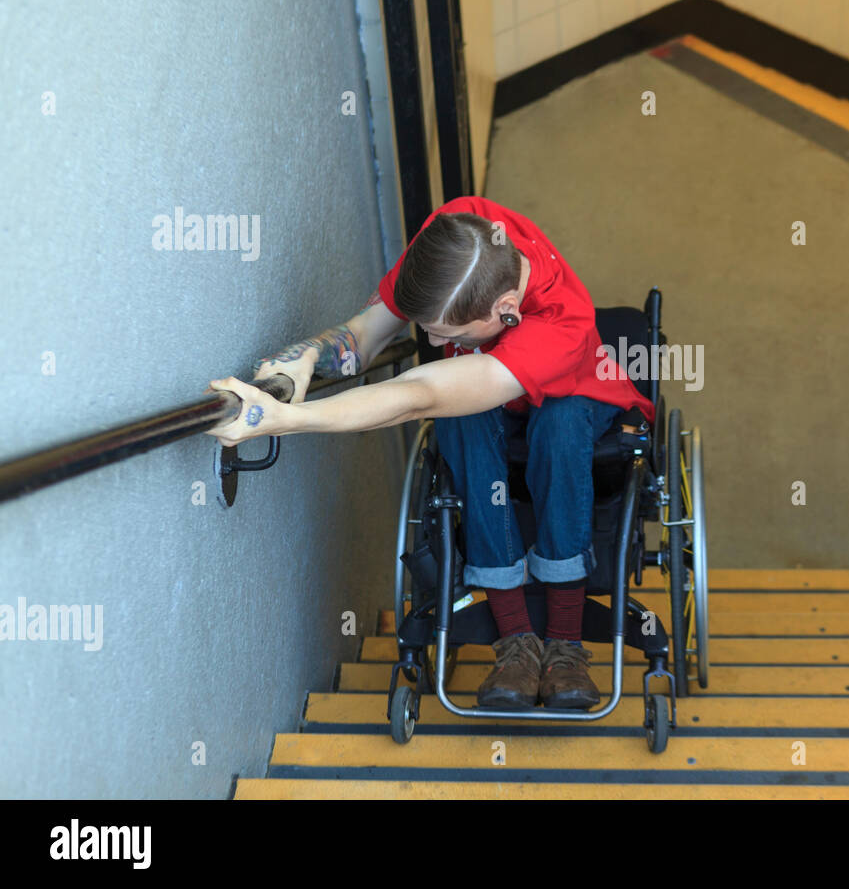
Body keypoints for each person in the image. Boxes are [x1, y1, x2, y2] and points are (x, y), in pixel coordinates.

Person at [206, 195, 654, 710]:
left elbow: (419, 394)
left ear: (505, 312)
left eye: (449, 334)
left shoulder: (561, 324)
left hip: (580, 395)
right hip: (493, 391)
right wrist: (303, 358)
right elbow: (365, 335)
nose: (432, 338)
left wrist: (293, 420)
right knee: (461, 423)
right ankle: (515, 642)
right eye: (430, 328)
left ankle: (566, 646)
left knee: (558, 424)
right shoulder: (457, 234)